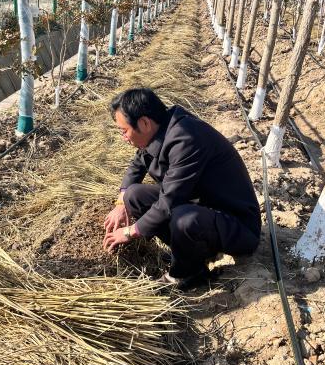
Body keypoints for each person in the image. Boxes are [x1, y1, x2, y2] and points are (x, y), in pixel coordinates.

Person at [102, 88, 261, 290]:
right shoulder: (162, 129)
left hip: (237, 226)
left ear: (144, 123)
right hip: (205, 210)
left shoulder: (186, 138)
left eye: (124, 131)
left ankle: (188, 273)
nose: (124, 137)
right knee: (134, 195)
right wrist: (120, 203)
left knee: (183, 217)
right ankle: (189, 253)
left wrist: (130, 231)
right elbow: (137, 164)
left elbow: (169, 201)